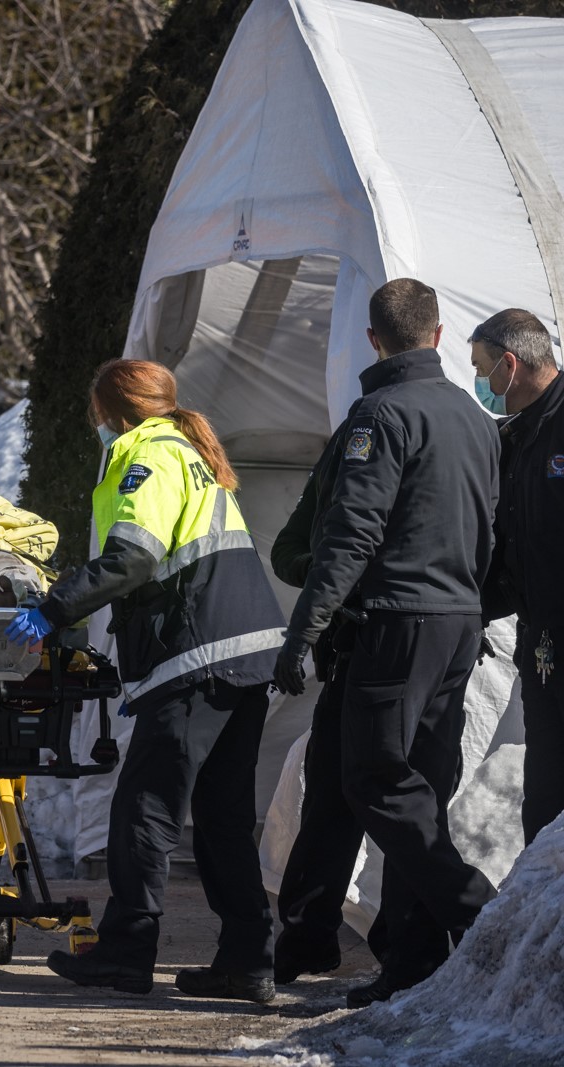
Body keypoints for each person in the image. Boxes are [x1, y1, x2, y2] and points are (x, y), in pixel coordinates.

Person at [9, 358, 285, 1003]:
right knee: (221, 819)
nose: (96, 424)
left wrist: (52, 610)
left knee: (144, 811)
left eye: (96, 412)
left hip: (198, 658)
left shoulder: (150, 455)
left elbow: (134, 556)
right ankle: (247, 961)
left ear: (113, 410)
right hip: (241, 657)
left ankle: (126, 954)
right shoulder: (189, 452)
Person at [274, 278, 499, 1008]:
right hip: (457, 621)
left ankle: (480, 914)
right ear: (438, 334)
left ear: (374, 340)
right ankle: (412, 958)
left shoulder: (380, 415)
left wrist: (302, 632)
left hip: (398, 621)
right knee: (414, 790)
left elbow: (350, 535)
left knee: (374, 779)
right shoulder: (474, 418)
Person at [266, 434, 376, 985]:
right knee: (327, 797)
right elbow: (286, 551)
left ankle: (426, 931)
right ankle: (308, 940)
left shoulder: (413, 443)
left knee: (392, 798)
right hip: (346, 649)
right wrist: (330, 570)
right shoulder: (342, 456)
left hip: (402, 646)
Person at [472, 308, 564, 844]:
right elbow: (511, 548)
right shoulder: (515, 436)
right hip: (539, 641)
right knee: (546, 794)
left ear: (510, 365)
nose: (479, 380)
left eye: (481, 368)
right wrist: (474, 610)